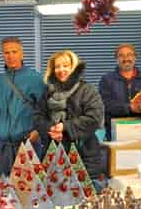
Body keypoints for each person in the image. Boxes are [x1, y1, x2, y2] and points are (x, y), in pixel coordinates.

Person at [34, 49, 106, 188]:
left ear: (74, 67)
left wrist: (65, 127)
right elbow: (37, 117)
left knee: (86, 201)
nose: (61, 70)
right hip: (54, 154)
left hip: (85, 155)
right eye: (57, 66)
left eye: (66, 65)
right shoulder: (48, 91)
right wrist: (51, 129)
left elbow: (95, 118)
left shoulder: (87, 89)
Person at [0, 36, 45, 177]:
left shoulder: (36, 79)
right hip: (1, 147)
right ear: (2, 55)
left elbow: (45, 111)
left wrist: (38, 131)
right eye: (6, 53)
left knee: (29, 192)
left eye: (14, 52)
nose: (11, 56)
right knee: (0, 193)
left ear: (22, 53)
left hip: (27, 144)